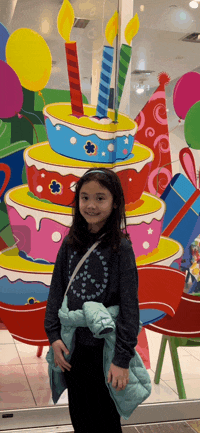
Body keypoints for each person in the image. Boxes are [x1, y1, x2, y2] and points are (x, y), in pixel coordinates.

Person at [44, 168, 140, 433]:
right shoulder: (70, 243)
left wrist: (121, 359)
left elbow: (130, 307)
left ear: (115, 202)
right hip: (74, 347)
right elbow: (56, 292)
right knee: (81, 417)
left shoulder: (121, 248)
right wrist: (54, 336)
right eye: (84, 197)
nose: (91, 205)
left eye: (100, 198)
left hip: (105, 351)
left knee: (106, 420)